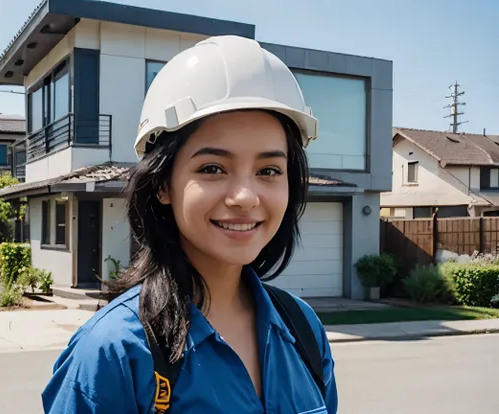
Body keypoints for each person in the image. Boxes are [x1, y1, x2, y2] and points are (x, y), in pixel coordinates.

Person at [41, 35, 338, 414]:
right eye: (212, 168)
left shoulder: (303, 329)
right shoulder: (114, 350)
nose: (245, 196)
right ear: (163, 184)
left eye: (269, 170)